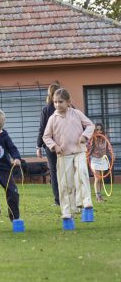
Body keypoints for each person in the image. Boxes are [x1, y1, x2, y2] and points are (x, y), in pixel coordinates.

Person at [43, 88, 95, 219]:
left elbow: (90, 125)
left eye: (60, 102)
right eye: (55, 102)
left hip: (79, 152)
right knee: (65, 183)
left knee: (82, 174)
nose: (57, 105)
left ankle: (86, 202)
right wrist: (54, 146)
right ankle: (67, 211)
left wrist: (84, 136)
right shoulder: (52, 119)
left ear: (68, 102)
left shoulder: (77, 113)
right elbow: (46, 137)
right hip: (63, 155)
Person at [36, 83, 61, 206]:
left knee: (54, 172)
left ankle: (58, 200)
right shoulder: (68, 106)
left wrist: (38, 146)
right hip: (64, 143)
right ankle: (71, 198)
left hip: (50, 145)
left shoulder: (46, 110)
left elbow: (42, 130)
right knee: (67, 170)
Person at [88, 123, 111, 202]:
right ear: (95, 130)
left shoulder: (105, 138)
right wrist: (86, 156)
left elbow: (109, 147)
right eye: (97, 129)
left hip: (103, 160)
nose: (99, 131)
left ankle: (99, 196)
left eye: (100, 129)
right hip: (94, 160)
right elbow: (89, 149)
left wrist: (112, 154)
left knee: (101, 179)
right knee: (97, 178)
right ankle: (98, 197)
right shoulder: (92, 139)